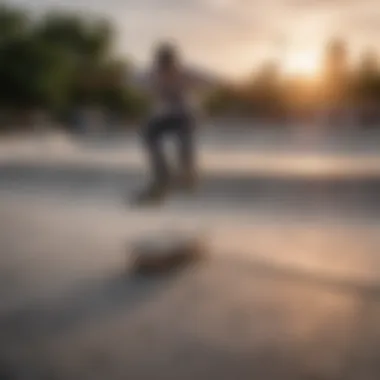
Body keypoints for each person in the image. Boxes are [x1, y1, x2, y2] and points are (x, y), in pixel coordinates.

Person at [134, 42, 204, 205]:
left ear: (174, 64)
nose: (166, 71)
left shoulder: (186, 74)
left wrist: (196, 89)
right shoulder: (153, 75)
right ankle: (163, 176)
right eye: (162, 67)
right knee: (149, 132)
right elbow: (136, 79)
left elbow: (209, 81)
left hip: (185, 115)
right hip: (165, 117)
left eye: (168, 66)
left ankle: (188, 173)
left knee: (185, 135)